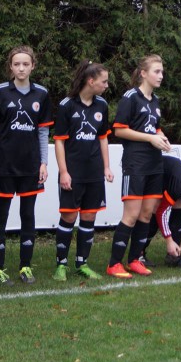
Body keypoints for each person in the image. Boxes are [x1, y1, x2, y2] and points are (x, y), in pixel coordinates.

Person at [0, 46, 54, 285]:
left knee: (28, 214)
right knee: (1, 214)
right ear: (10, 66)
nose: (21, 68)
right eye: (17, 64)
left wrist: (44, 162)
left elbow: (43, 131)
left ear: (33, 66)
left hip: (30, 165)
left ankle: (25, 267)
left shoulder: (41, 94)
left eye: (26, 64)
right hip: (4, 165)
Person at [107, 55, 170, 278]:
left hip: (155, 164)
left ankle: (134, 260)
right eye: (156, 71)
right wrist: (150, 138)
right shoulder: (130, 98)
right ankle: (114, 263)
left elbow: (155, 128)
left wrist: (162, 137)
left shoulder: (155, 100)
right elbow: (119, 130)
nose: (161, 76)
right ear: (143, 73)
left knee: (146, 214)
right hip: (135, 164)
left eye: (162, 72)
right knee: (131, 215)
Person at [52, 61, 114, 281]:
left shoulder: (102, 105)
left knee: (89, 216)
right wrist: (64, 172)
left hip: (94, 172)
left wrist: (106, 167)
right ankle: (61, 264)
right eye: (104, 81)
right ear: (91, 81)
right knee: (68, 216)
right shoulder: (67, 105)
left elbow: (103, 138)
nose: (106, 85)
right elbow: (59, 141)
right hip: (73, 172)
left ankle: (82, 263)